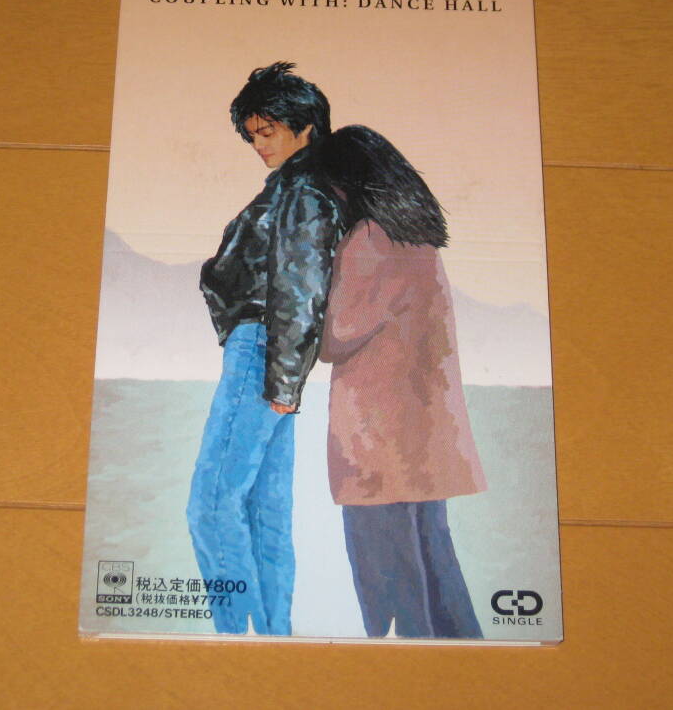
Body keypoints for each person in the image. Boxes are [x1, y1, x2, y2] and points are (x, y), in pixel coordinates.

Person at [188, 62, 344, 636]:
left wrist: (281, 382)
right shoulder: (302, 186)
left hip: (261, 350)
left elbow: (302, 288)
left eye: (267, 131)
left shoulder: (303, 191)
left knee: (211, 506)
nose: (258, 145)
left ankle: (237, 634)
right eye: (252, 135)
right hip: (274, 355)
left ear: (305, 126)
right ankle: (274, 637)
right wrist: (287, 380)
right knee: (264, 512)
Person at [317, 125, 486, 639]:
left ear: (345, 184)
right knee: (438, 582)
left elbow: (333, 339)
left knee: (391, 599)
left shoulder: (368, 240)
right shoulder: (420, 240)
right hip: (425, 448)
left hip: (378, 445)